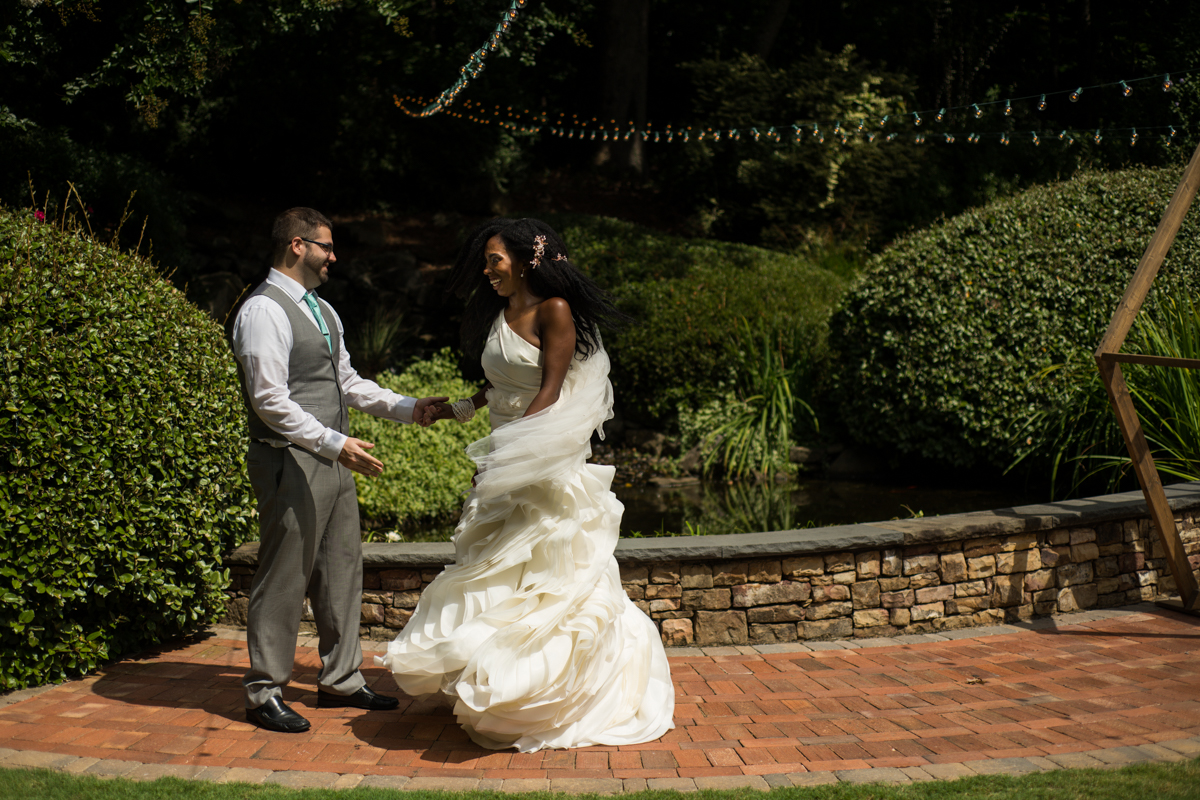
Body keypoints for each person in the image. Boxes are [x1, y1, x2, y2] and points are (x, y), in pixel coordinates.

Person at [375, 218, 675, 752]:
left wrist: (506, 457)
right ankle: (493, 681)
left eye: (495, 260)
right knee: (498, 571)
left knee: (553, 574)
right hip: (508, 451)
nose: (487, 270)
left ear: (525, 259)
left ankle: (554, 692)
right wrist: (461, 409)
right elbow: (503, 385)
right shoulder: (503, 311)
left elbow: (551, 392)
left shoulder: (554, 311)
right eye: (486, 261)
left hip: (543, 464)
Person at [231, 207, 446, 733]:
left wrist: (407, 405)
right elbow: (269, 401)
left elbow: (346, 381)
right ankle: (263, 692)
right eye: (327, 246)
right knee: (285, 576)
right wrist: (333, 442)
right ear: (297, 246)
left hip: (330, 454)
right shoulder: (263, 310)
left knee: (342, 570)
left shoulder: (323, 310)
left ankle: (341, 680)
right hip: (290, 458)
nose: (334, 257)